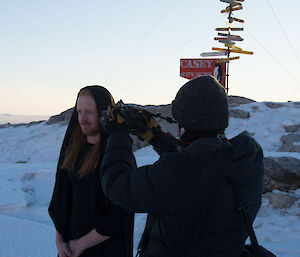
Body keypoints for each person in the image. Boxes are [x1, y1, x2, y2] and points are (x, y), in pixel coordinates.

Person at [100, 76, 264, 257]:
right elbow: (202, 166)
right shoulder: (247, 160)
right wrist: (157, 138)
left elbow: (115, 185)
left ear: (183, 126)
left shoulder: (179, 172)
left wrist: (117, 134)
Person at [48, 86, 134, 257]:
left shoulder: (117, 155)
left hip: (106, 249)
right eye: (79, 112)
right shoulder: (72, 150)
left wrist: (81, 245)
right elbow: (61, 197)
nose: (83, 118)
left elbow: (120, 213)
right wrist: (60, 242)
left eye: (90, 112)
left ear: (104, 114)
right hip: (70, 249)